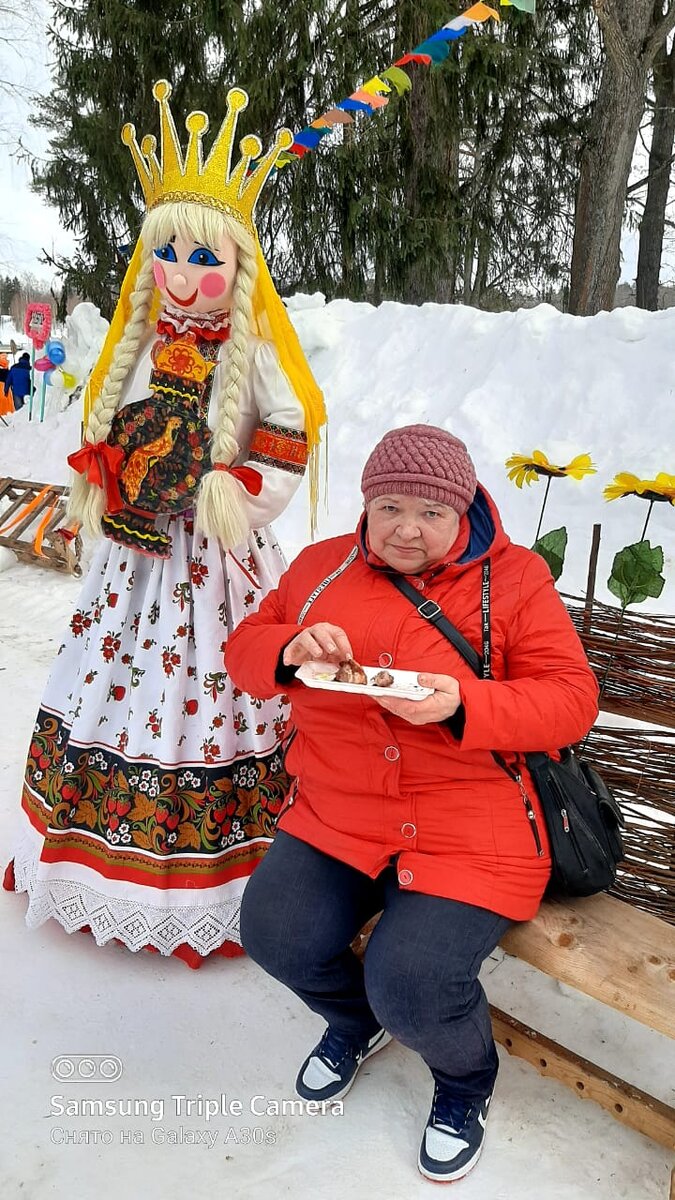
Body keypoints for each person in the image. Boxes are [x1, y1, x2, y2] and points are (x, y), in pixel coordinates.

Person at [4, 79, 326, 968]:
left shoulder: (253, 354)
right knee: (111, 670)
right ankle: (97, 862)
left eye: (205, 256)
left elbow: (289, 445)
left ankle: (226, 877)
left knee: (221, 681)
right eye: (168, 253)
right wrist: (106, 486)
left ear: (240, 265)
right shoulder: (135, 345)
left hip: (216, 563)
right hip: (133, 563)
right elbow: (105, 434)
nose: (184, 271)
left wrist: (235, 494)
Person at [225, 424, 599, 1183]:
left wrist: (467, 704)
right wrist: (290, 648)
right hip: (339, 811)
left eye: (430, 512)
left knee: (414, 984)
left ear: (463, 513)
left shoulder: (514, 580)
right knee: (275, 934)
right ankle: (350, 1023)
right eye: (388, 505)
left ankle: (464, 1083)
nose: (406, 528)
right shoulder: (321, 567)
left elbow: (570, 700)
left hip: (472, 822)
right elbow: (247, 649)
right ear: (364, 505)